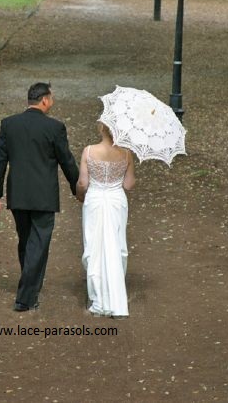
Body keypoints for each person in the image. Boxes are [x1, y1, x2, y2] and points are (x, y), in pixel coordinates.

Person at [0, 82, 79, 311]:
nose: (53, 102)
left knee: (26, 243)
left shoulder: (9, 125)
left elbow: (0, 161)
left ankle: (30, 290)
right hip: (44, 196)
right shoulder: (54, 128)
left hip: (18, 195)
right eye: (52, 98)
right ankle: (25, 298)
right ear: (45, 100)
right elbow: (66, 161)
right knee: (37, 245)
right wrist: (78, 187)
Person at [76, 122, 136, 318]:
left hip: (94, 200)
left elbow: (83, 182)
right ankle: (115, 291)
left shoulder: (89, 151)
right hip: (116, 201)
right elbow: (128, 185)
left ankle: (97, 296)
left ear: (101, 128)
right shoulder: (126, 154)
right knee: (117, 244)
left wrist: (79, 193)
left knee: (94, 245)